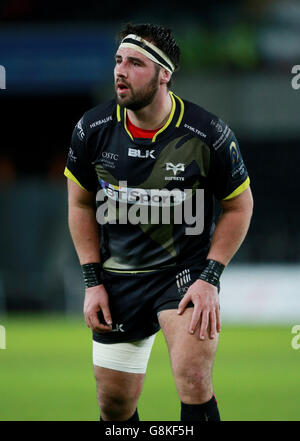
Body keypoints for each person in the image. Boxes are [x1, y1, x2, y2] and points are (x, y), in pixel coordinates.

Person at [64, 23, 253, 421]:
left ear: (163, 74)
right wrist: (92, 281)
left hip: (182, 277)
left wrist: (210, 278)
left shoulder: (208, 135)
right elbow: (80, 205)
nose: (120, 71)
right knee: (113, 405)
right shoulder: (93, 130)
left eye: (134, 63)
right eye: (118, 61)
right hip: (118, 281)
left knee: (193, 379)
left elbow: (239, 207)